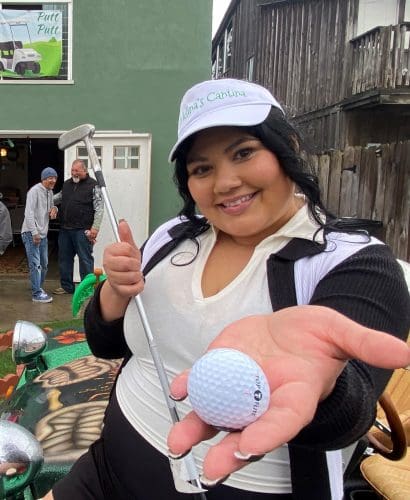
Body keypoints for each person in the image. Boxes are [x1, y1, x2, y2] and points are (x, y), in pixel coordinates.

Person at [47, 79, 410, 500]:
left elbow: (347, 419)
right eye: (202, 169)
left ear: (287, 145)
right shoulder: (173, 237)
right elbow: (106, 343)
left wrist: (324, 387)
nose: (224, 183)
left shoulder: (354, 264)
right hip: (106, 469)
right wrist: (115, 294)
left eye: (243, 153)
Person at [52, 159, 104, 294]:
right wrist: (45, 200)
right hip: (65, 229)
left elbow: (99, 208)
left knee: (85, 260)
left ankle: (86, 289)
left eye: (77, 171)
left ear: (85, 171)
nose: (74, 173)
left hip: (83, 230)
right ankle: (66, 287)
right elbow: (59, 198)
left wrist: (95, 228)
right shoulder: (67, 184)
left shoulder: (94, 185)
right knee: (64, 259)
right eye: (72, 170)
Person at [21, 167, 58, 303]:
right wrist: (34, 233)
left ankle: (38, 288)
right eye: (50, 178)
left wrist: (54, 209)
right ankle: (36, 294)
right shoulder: (34, 191)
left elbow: (51, 208)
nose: (53, 180)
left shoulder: (50, 192)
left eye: (54, 178)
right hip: (31, 233)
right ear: (43, 179)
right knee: (35, 264)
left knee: (44, 264)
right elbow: (28, 213)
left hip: (42, 234)